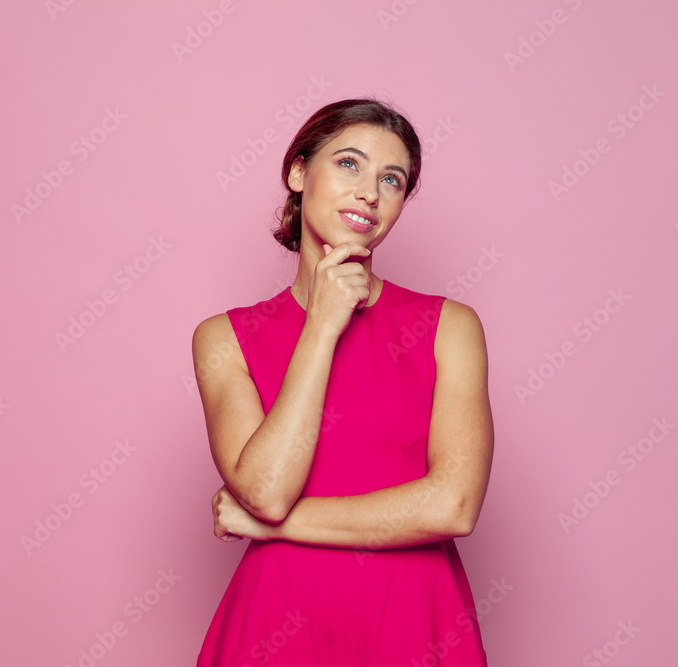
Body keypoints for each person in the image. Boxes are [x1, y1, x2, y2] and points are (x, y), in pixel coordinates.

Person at [192, 98, 493, 666]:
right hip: (274, 628)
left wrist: (276, 528)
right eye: (349, 164)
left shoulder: (449, 328)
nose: (370, 193)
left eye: (392, 179)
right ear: (298, 172)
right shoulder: (224, 338)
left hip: (413, 623)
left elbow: (452, 505)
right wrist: (323, 325)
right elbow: (268, 490)